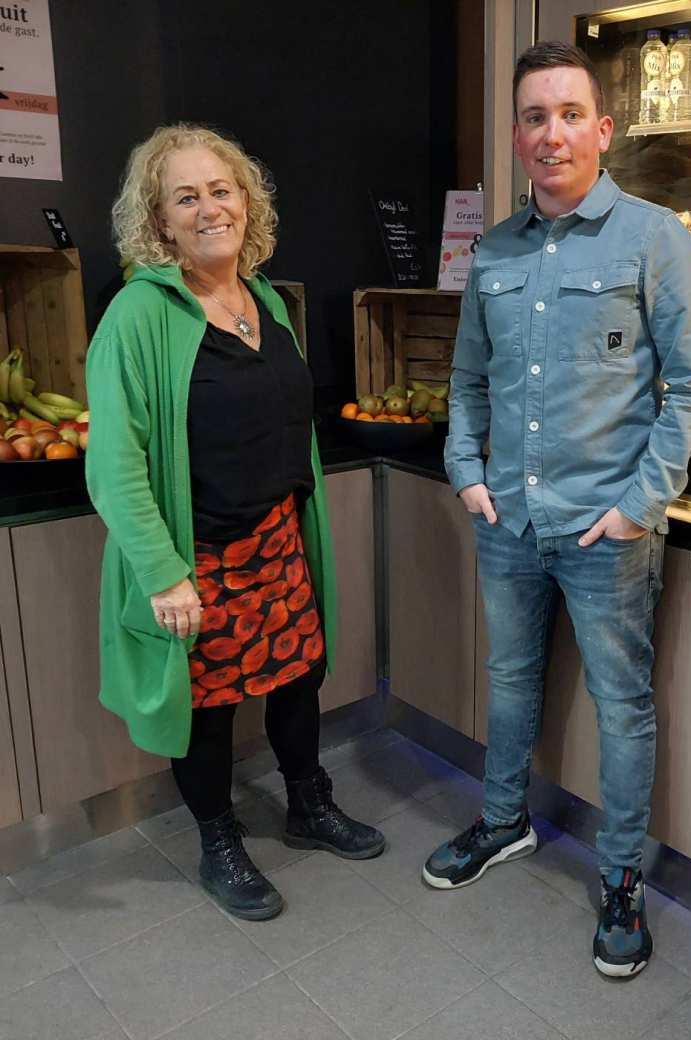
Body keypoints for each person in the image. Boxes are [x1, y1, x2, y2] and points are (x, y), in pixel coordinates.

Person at [423, 42, 691, 977]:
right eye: (533, 117)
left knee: (622, 708)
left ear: (603, 128)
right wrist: (464, 467)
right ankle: (503, 823)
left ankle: (622, 878)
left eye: (567, 114)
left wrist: (638, 507)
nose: (551, 134)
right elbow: (468, 379)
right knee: (510, 681)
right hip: (507, 519)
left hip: (606, 531)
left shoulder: (653, 237)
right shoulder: (495, 250)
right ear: (517, 136)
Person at [86, 124, 384, 922]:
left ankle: (309, 806)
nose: (210, 207)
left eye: (222, 190)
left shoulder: (266, 304)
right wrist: (163, 570)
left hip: (278, 542)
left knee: (296, 679)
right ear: (160, 219)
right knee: (206, 710)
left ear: (246, 201)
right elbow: (113, 463)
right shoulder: (137, 317)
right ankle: (220, 844)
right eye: (186, 196)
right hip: (201, 556)